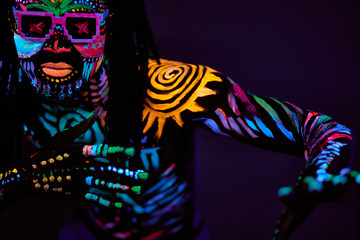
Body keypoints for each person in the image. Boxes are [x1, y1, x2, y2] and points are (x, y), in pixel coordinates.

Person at [0, 0, 356, 239]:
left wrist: (322, 170)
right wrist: (14, 181)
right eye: (35, 23)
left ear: (109, 28)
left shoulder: (169, 92)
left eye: (80, 25)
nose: (57, 45)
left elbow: (321, 130)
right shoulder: (11, 86)